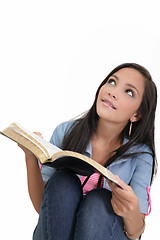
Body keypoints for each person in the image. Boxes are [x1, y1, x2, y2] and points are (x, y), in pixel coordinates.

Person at [19, 63, 157, 240]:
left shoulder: (141, 156)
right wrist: (31, 156)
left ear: (136, 115)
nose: (112, 92)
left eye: (129, 92)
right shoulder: (64, 132)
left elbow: (135, 232)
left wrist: (131, 212)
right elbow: (43, 208)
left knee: (99, 201)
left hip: (105, 230)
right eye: (112, 82)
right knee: (63, 181)